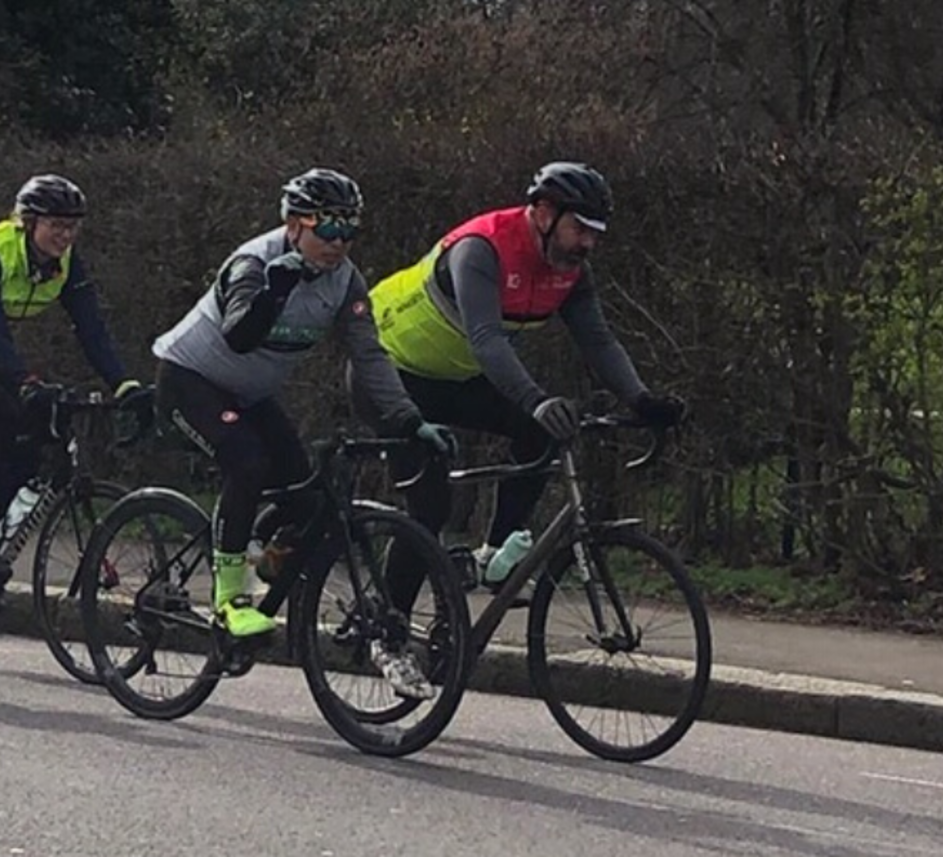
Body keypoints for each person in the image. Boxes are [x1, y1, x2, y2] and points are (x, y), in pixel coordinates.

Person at [152, 168, 456, 698]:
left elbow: (369, 355)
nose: (339, 243)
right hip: (189, 382)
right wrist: (275, 290)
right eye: (327, 229)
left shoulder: (345, 281)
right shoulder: (253, 264)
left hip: (249, 395)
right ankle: (228, 601)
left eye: (349, 231)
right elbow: (239, 335)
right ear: (294, 226)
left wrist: (410, 419)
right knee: (247, 464)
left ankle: (258, 559)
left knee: (308, 501)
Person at [368, 161, 686, 594]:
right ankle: (391, 624)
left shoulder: (569, 271)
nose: (588, 243)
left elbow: (598, 341)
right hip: (390, 372)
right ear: (543, 213)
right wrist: (536, 399)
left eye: (596, 233)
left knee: (541, 434)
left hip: (455, 376)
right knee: (430, 508)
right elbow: (486, 339)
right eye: (580, 229)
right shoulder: (481, 249)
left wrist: (641, 399)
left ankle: (494, 557)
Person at [0, 174, 147, 617]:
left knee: (37, 429)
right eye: (56, 225)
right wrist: (25, 382)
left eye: (73, 226)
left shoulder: (66, 263)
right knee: (5, 415)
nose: (65, 235)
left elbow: (91, 328)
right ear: (28, 222)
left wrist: (123, 384)